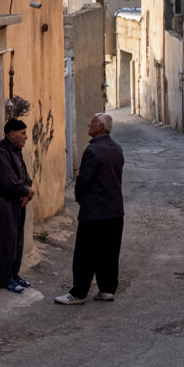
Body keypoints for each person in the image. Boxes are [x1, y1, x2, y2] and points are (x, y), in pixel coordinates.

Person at [56, 113, 125, 305]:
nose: (89, 125)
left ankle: (78, 292)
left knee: (86, 253)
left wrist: (79, 198)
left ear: (101, 127)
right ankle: (107, 289)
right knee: (110, 252)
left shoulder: (93, 150)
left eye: (93, 122)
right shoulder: (117, 149)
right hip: (115, 211)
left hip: (95, 212)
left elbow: (84, 179)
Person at [0, 118, 36, 293]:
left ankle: (14, 274)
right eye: (22, 133)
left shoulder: (16, 151)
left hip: (17, 203)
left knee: (17, 241)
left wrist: (26, 192)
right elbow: (7, 180)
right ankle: (5, 279)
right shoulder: (0, 152)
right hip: (2, 204)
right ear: (12, 134)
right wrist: (26, 191)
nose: (26, 137)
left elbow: (25, 176)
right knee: (6, 240)